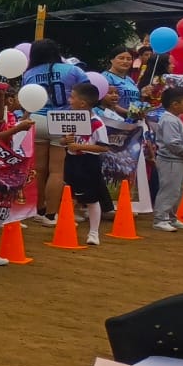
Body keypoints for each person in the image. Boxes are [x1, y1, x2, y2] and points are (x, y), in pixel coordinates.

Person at [21, 39, 86, 225]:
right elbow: (88, 90)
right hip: (63, 118)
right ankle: (51, 214)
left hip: (37, 118)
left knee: (39, 169)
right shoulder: (72, 70)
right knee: (56, 170)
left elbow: (25, 99)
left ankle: (38, 209)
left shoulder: (29, 73)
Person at [60, 81, 110, 246]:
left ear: (82, 103)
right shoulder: (70, 118)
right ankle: (66, 225)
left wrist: (80, 147)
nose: (69, 100)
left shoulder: (96, 123)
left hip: (88, 163)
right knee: (69, 194)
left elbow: (103, 147)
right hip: (71, 161)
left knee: (91, 198)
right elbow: (62, 141)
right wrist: (66, 140)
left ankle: (94, 232)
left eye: (72, 97)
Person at [152, 86, 183, 232]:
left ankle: (171, 217)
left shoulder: (174, 119)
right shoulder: (169, 120)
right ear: (175, 104)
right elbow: (173, 143)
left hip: (177, 160)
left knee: (177, 190)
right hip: (171, 160)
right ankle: (160, 219)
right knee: (169, 190)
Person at [103, 48, 142, 115]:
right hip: (113, 118)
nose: (125, 61)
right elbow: (107, 103)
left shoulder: (130, 80)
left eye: (129, 59)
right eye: (121, 58)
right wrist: (130, 113)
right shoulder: (106, 77)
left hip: (132, 118)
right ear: (111, 60)